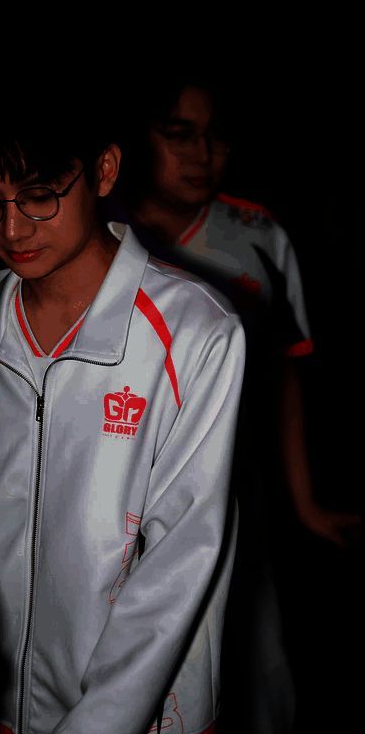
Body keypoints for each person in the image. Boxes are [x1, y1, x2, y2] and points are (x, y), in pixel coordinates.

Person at [0, 80, 245, 734]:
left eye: (40, 195)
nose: (12, 229)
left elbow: (179, 567)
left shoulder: (195, 335)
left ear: (103, 170)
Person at [110, 71, 361, 733]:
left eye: (215, 136)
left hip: (235, 502)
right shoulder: (96, 235)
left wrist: (303, 502)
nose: (202, 153)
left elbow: (285, 373)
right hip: (115, 505)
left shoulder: (257, 234)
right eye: (179, 134)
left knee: (256, 671)